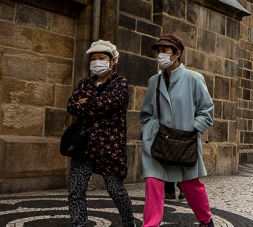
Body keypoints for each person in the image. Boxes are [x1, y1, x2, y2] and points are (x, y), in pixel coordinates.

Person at [140, 34, 215, 226]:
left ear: (177, 54)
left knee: (191, 186)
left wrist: (192, 130)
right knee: (153, 183)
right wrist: (146, 132)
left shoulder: (194, 78)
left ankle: (206, 221)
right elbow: (146, 113)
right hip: (157, 143)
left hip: (184, 144)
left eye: (165, 50)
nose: (160, 54)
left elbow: (206, 111)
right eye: (158, 51)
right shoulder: (153, 81)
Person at [67, 40, 134, 227]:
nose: (97, 62)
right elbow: (72, 106)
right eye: (93, 58)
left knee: (116, 189)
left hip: (109, 146)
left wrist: (86, 102)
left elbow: (110, 103)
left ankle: (129, 222)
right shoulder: (84, 83)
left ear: (112, 61)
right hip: (83, 144)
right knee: (76, 189)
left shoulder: (120, 83)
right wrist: (95, 104)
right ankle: (78, 223)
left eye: (101, 58)